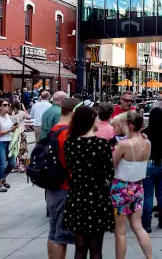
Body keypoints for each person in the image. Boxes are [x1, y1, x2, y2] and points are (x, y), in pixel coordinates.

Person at [63, 106, 115, 259]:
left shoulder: (70, 143)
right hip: (97, 197)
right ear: (91, 120)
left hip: (77, 196)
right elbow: (109, 173)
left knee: (80, 247)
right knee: (95, 247)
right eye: (97, 118)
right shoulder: (101, 145)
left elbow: (69, 167)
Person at [111, 110, 153, 259]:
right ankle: (149, 257)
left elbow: (112, 165)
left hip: (120, 187)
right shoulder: (147, 142)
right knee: (138, 226)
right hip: (138, 186)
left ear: (129, 125)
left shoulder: (123, 145)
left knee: (120, 231)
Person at [46, 98, 80, 259]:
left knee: (54, 233)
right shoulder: (67, 133)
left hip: (54, 188)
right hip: (65, 189)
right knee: (61, 237)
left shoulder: (55, 129)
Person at [142, 107, 162, 233]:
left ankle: (147, 224)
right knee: (161, 194)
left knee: (148, 195)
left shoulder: (145, 133)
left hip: (149, 163)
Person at [0, 99, 18, 192]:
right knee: (2, 164)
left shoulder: (7, 116)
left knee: (12, 163)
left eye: (8, 104)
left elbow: (9, 127)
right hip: (0, 142)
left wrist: (14, 128)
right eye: (5, 105)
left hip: (9, 141)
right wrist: (10, 130)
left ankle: (3, 178)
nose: (7, 106)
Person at [9, 99, 32, 172]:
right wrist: (24, 109)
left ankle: (13, 166)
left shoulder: (8, 113)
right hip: (20, 133)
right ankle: (21, 166)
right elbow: (29, 117)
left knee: (13, 149)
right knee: (22, 150)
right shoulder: (21, 113)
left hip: (11, 134)